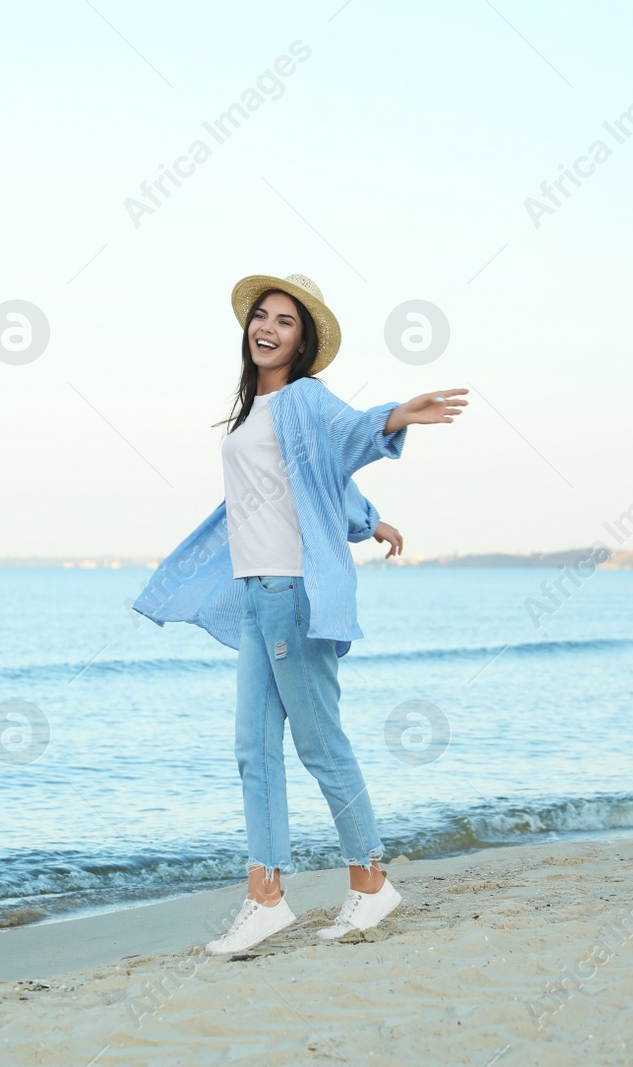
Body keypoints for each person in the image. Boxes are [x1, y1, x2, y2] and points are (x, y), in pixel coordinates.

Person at [131, 272, 467, 954]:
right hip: (256, 598)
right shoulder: (256, 412)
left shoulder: (307, 397)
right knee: (253, 750)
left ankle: (371, 880)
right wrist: (370, 521)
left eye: (285, 321)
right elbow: (311, 485)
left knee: (319, 743)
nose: (269, 328)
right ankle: (265, 896)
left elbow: (344, 439)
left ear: (303, 339)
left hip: (292, 596)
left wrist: (396, 415)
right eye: (262, 316)